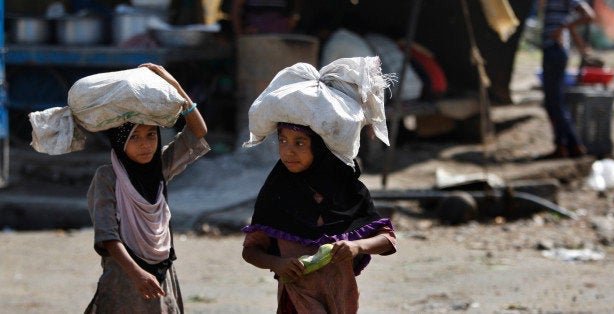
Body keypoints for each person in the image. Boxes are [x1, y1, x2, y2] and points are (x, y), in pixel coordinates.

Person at [240, 57, 397, 313]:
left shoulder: (347, 189)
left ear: (321, 147)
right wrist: (277, 263)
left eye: (299, 143)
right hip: (295, 300)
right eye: (282, 141)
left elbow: (387, 239)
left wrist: (356, 246)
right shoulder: (277, 191)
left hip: (341, 299)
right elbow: (251, 251)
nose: (288, 152)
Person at [84, 63, 210, 313]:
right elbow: (108, 236)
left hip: (162, 271)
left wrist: (174, 86)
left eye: (151, 135)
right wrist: (137, 274)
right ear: (120, 142)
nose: (145, 145)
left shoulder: (160, 167)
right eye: (135, 137)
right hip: (124, 276)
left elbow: (198, 132)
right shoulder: (107, 176)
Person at [540, 0, 595, 158]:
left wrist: (562, 28)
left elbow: (588, 15)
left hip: (554, 51)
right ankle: (563, 145)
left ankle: (573, 144)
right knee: (552, 101)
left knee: (554, 101)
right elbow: (569, 23)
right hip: (551, 49)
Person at [230, 0, 302, 36]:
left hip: (281, 37)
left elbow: (295, 8)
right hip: (254, 36)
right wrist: (240, 34)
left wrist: (294, 18)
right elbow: (235, 8)